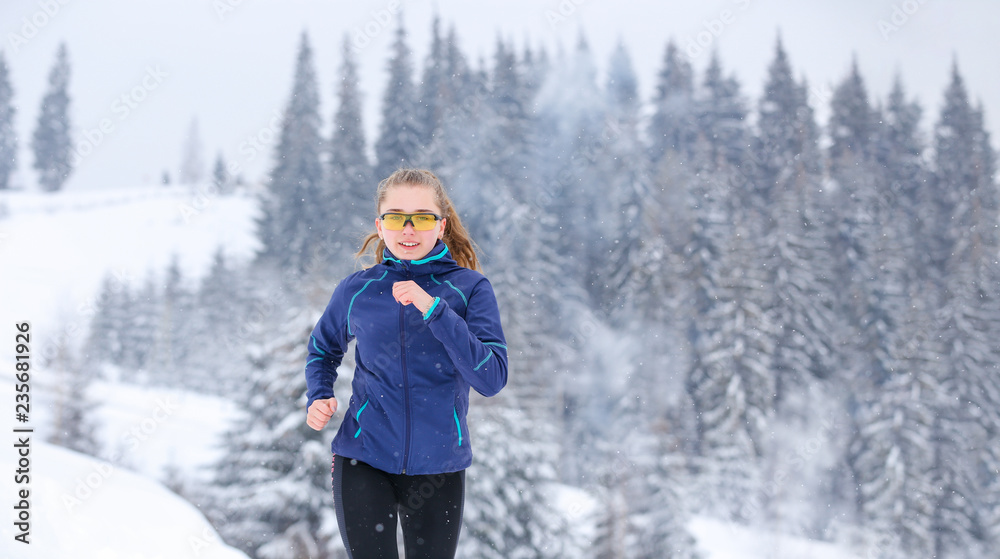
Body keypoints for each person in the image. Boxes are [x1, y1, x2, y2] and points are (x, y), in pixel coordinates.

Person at [304, 168, 508, 558]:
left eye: (423, 218)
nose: (408, 229)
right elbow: (323, 349)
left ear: (441, 226)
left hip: (439, 466)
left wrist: (435, 310)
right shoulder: (357, 289)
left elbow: (491, 377)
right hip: (363, 457)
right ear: (380, 226)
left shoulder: (469, 289)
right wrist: (319, 395)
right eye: (396, 217)